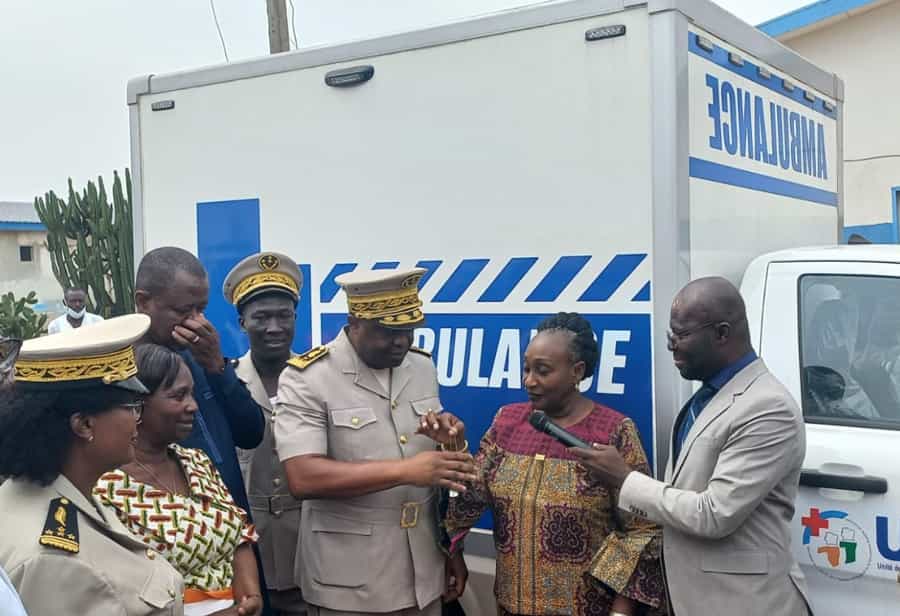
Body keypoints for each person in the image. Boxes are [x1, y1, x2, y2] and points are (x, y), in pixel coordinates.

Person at [573, 277, 811, 616]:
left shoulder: (768, 407)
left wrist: (625, 480)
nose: (672, 346)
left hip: (744, 603)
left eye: (681, 335)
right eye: (672, 335)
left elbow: (715, 515)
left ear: (722, 333)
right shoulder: (706, 397)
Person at [274, 267, 476, 616]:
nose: (401, 341)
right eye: (387, 331)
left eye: (409, 330)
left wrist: (449, 443)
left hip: (424, 573)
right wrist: (406, 470)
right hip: (350, 585)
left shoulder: (420, 367)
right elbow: (303, 477)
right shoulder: (308, 378)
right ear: (354, 322)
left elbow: (437, 476)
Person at [444, 313, 664, 616]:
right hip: (510, 606)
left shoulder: (613, 431)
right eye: (526, 368)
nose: (529, 380)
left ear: (577, 371)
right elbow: (471, 497)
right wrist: (453, 449)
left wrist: (620, 613)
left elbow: (641, 530)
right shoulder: (507, 422)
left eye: (543, 371)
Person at [0, 314, 184, 615]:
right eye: (131, 407)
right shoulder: (54, 558)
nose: (138, 419)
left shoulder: (55, 492)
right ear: (84, 424)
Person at [94, 343, 262, 616]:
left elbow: (239, 534)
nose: (193, 406)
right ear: (137, 405)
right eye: (178, 396)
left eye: (192, 394)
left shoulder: (197, 462)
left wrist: (250, 598)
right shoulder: (105, 487)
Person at [134, 246, 265, 513]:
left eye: (201, 309)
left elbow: (251, 433)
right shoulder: (121, 368)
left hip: (231, 521)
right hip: (168, 525)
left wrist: (218, 368)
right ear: (144, 301)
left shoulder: (201, 355)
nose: (197, 321)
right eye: (184, 310)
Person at [223, 252, 306, 615]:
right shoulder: (226, 382)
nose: (273, 327)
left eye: (283, 315)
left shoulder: (317, 378)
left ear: (295, 318)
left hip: (309, 541)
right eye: (261, 317)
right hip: (245, 545)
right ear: (243, 322)